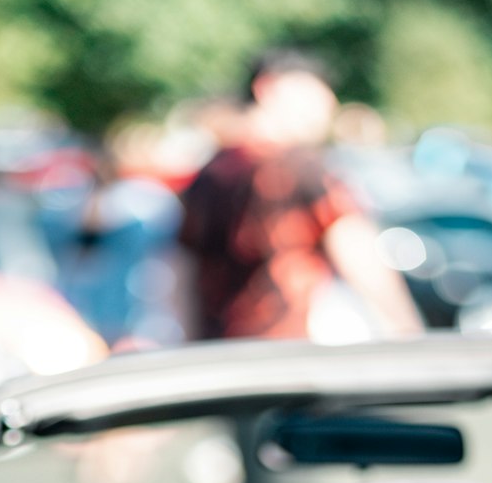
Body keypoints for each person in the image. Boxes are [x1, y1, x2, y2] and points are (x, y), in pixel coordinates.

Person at [178, 48, 422, 343]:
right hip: (293, 352)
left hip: (221, 354)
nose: (327, 107)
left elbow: (183, 271)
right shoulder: (302, 168)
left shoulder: (210, 173)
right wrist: (406, 331)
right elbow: (357, 250)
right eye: (315, 95)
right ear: (268, 88)